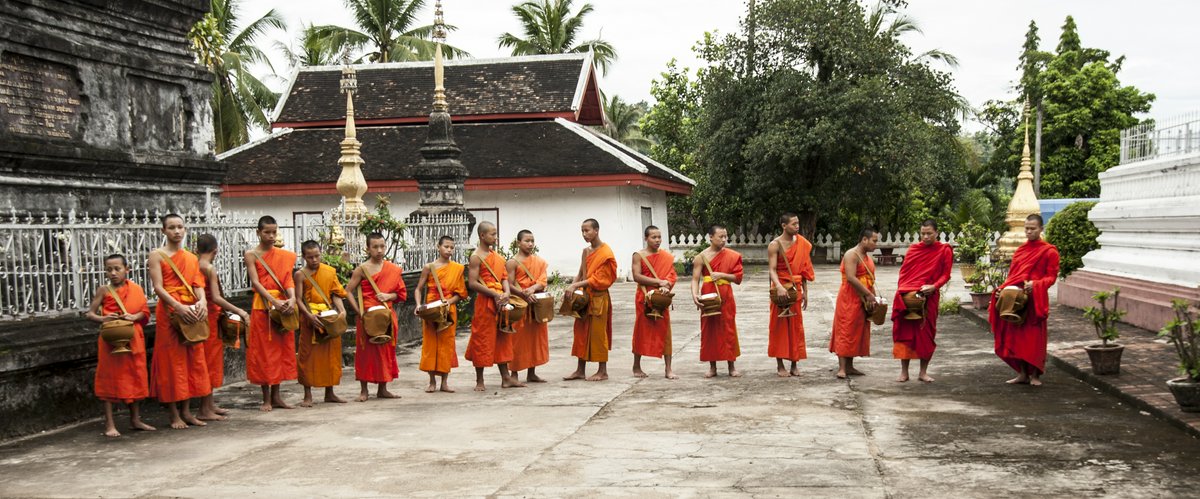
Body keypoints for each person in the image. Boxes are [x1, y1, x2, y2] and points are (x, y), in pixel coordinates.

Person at [147, 214, 210, 429]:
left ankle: (187, 411)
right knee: (171, 361)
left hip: (191, 310)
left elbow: (197, 283)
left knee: (192, 358)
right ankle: (174, 414)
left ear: (185, 229)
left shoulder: (191, 258)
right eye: (172, 227)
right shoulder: (157, 255)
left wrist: (202, 301)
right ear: (163, 231)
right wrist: (178, 306)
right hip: (170, 312)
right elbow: (158, 287)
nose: (177, 231)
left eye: (180, 227)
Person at [86, 254, 155, 437]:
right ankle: (110, 424)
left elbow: (145, 312)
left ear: (127, 270)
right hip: (111, 341)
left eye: (117, 269)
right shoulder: (104, 290)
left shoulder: (136, 289)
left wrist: (134, 317)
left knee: (135, 377)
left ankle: (135, 419)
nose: (113, 273)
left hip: (132, 338)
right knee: (109, 379)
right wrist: (103, 318)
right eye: (109, 270)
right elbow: (90, 314)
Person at [992, 214, 1060, 386]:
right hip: (1017, 300)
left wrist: (1036, 284)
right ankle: (1022, 373)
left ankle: (1036, 375)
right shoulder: (1021, 250)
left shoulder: (1049, 251)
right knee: (1017, 337)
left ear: (1041, 229)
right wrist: (1002, 290)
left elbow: (1051, 277)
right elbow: (1012, 276)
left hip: (1035, 300)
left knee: (1035, 338)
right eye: (1027, 229)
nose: (1029, 232)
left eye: (1033, 229)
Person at [243, 216, 298, 412]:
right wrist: (272, 301)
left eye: (274, 232)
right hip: (262, 307)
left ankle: (277, 396)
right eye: (267, 232)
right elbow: (256, 283)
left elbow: (287, 280)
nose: (271, 236)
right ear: (258, 232)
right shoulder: (251, 255)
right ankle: (266, 398)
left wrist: (291, 298)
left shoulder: (284, 256)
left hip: (283, 306)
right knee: (264, 352)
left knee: (280, 351)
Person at [345, 232, 408, 401]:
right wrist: (359, 311)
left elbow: (401, 294)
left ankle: (383, 388)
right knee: (365, 352)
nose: (379, 250)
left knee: (386, 351)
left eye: (382, 246)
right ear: (368, 249)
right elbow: (348, 291)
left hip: (386, 315)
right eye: (375, 247)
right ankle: (364, 390)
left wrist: (388, 296)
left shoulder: (392, 269)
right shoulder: (362, 269)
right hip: (367, 317)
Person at [890, 220, 952, 383]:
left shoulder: (944, 250)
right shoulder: (913, 250)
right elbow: (903, 274)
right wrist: (904, 291)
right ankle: (904, 372)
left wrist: (934, 286)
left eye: (929, 233)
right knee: (905, 333)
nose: (925, 236)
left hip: (930, 297)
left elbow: (946, 275)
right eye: (922, 233)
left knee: (927, 333)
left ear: (936, 233)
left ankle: (923, 372)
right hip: (909, 296)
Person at [195, 234, 249, 420]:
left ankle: (209, 405)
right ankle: (204, 409)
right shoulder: (209, 268)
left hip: (200, 318)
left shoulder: (193, 266)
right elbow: (217, 298)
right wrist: (240, 311)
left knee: (206, 361)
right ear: (216, 251)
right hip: (209, 318)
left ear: (196, 250)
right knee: (209, 363)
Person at [465, 221, 524, 391]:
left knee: (503, 338)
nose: (495, 237)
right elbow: (473, 283)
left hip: (501, 302)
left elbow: (504, 277)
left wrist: (506, 292)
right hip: (486, 303)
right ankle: (479, 380)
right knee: (482, 339)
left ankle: (506, 377)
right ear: (482, 236)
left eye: (496, 234)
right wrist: (494, 294)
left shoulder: (497, 257)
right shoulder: (476, 257)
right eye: (492, 234)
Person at [294, 240, 349, 406]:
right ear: (304, 257)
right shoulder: (300, 275)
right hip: (310, 319)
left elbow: (336, 294)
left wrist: (342, 311)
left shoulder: (329, 271)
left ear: (321, 253)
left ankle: (329, 392)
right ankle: (307, 395)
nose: (314, 260)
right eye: (310, 257)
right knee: (307, 356)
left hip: (328, 318)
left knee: (331, 356)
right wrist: (309, 316)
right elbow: (298, 298)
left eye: (317, 256)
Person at [563, 219, 617, 382]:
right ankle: (580, 369)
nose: (584, 234)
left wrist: (577, 285)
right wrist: (572, 287)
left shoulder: (606, 253)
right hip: (584, 298)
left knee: (599, 334)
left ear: (596, 230)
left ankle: (603, 370)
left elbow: (599, 279)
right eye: (582, 231)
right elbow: (581, 272)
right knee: (581, 332)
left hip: (599, 298)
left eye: (587, 230)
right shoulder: (586, 251)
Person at [690, 224, 744, 378]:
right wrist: (694, 295)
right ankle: (712, 367)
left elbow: (738, 278)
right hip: (708, 294)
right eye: (720, 236)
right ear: (711, 237)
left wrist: (722, 275)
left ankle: (731, 366)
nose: (724, 239)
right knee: (710, 329)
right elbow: (695, 279)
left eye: (725, 236)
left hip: (726, 295)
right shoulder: (701, 257)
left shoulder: (732, 255)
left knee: (728, 328)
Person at [415, 236, 467, 393]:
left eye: (452, 247)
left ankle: (444, 382)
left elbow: (461, 294)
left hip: (448, 309)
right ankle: (432, 381)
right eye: (446, 246)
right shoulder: (429, 267)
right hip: (431, 309)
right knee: (431, 344)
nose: (449, 250)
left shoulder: (457, 268)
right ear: (438, 247)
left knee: (446, 345)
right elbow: (418, 289)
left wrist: (449, 302)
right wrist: (418, 305)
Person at [766, 213, 815, 377]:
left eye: (798, 223)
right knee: (778, 326)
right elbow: (772, 269)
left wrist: (806, 292)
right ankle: (780, 365)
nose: (797, 226)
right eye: (793, 224)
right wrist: (779, 286)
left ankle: (795, 363)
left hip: (796, 288)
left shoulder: (803, 243)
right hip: (780, 287)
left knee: (796, 326)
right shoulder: (775, 245)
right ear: (783, 225)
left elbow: (804, 269)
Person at [830, 228, 880, 379]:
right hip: (849, 297)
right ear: (864, 239)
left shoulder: (867, 258)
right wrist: (869, 294)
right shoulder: (852, 254)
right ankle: (842, 368)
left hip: (863, 298)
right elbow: (851, 278)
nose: (876, 244)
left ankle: (850, 366)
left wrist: (874, 298)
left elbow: (870, 280)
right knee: (845, 329)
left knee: (856, 331)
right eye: (874, 240)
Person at [631, 225, 678, 379]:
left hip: (662, 297)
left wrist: (667, 285)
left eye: (659, 237)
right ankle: (636, 366)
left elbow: (671, 275)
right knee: (641, 330)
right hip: (644, 296)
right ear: (646, 238)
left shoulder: (666, 256)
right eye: (654, 237)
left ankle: (668, 369)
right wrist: (659, 282)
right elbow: (637, 276)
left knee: (665, 331)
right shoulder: (638, 255)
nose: (657, 240)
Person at [506, 230, 550, 383]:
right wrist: (524, 293)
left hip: (536, 304)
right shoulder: (512, 262)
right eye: (527, 241)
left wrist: (532, 289)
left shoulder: (538, 261)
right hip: (520, 305)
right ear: (518, 243)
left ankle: (532, 372)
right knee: (517, 340)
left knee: (535, 340)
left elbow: (543, 280)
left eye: (532, 241)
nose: (530, 244)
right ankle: (514, 374)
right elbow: (509, 285)